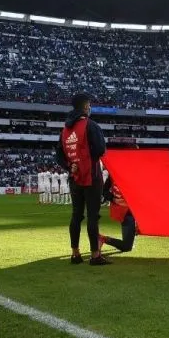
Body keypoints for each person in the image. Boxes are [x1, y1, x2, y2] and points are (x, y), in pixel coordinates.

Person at [56, 93, 109, 266]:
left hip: (74, 177)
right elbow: (101, 149)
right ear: (86, 107)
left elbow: (59, 155)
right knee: (93, 216)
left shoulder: (64, 130)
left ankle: (75, 254)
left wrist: (70, 165)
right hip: (91, 176)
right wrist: (86, 160)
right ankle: (95, 255)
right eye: (90, 105)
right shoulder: (91, 125)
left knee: (76, 215)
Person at [99, 146, 139, 253]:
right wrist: (113, 199)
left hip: (133, 211)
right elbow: (104, 191)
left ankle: (131, 236)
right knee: (127, 247)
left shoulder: (136, 173)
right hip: (125, 212)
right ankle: (102, 238)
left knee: (128, 244)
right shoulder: (114, 174)